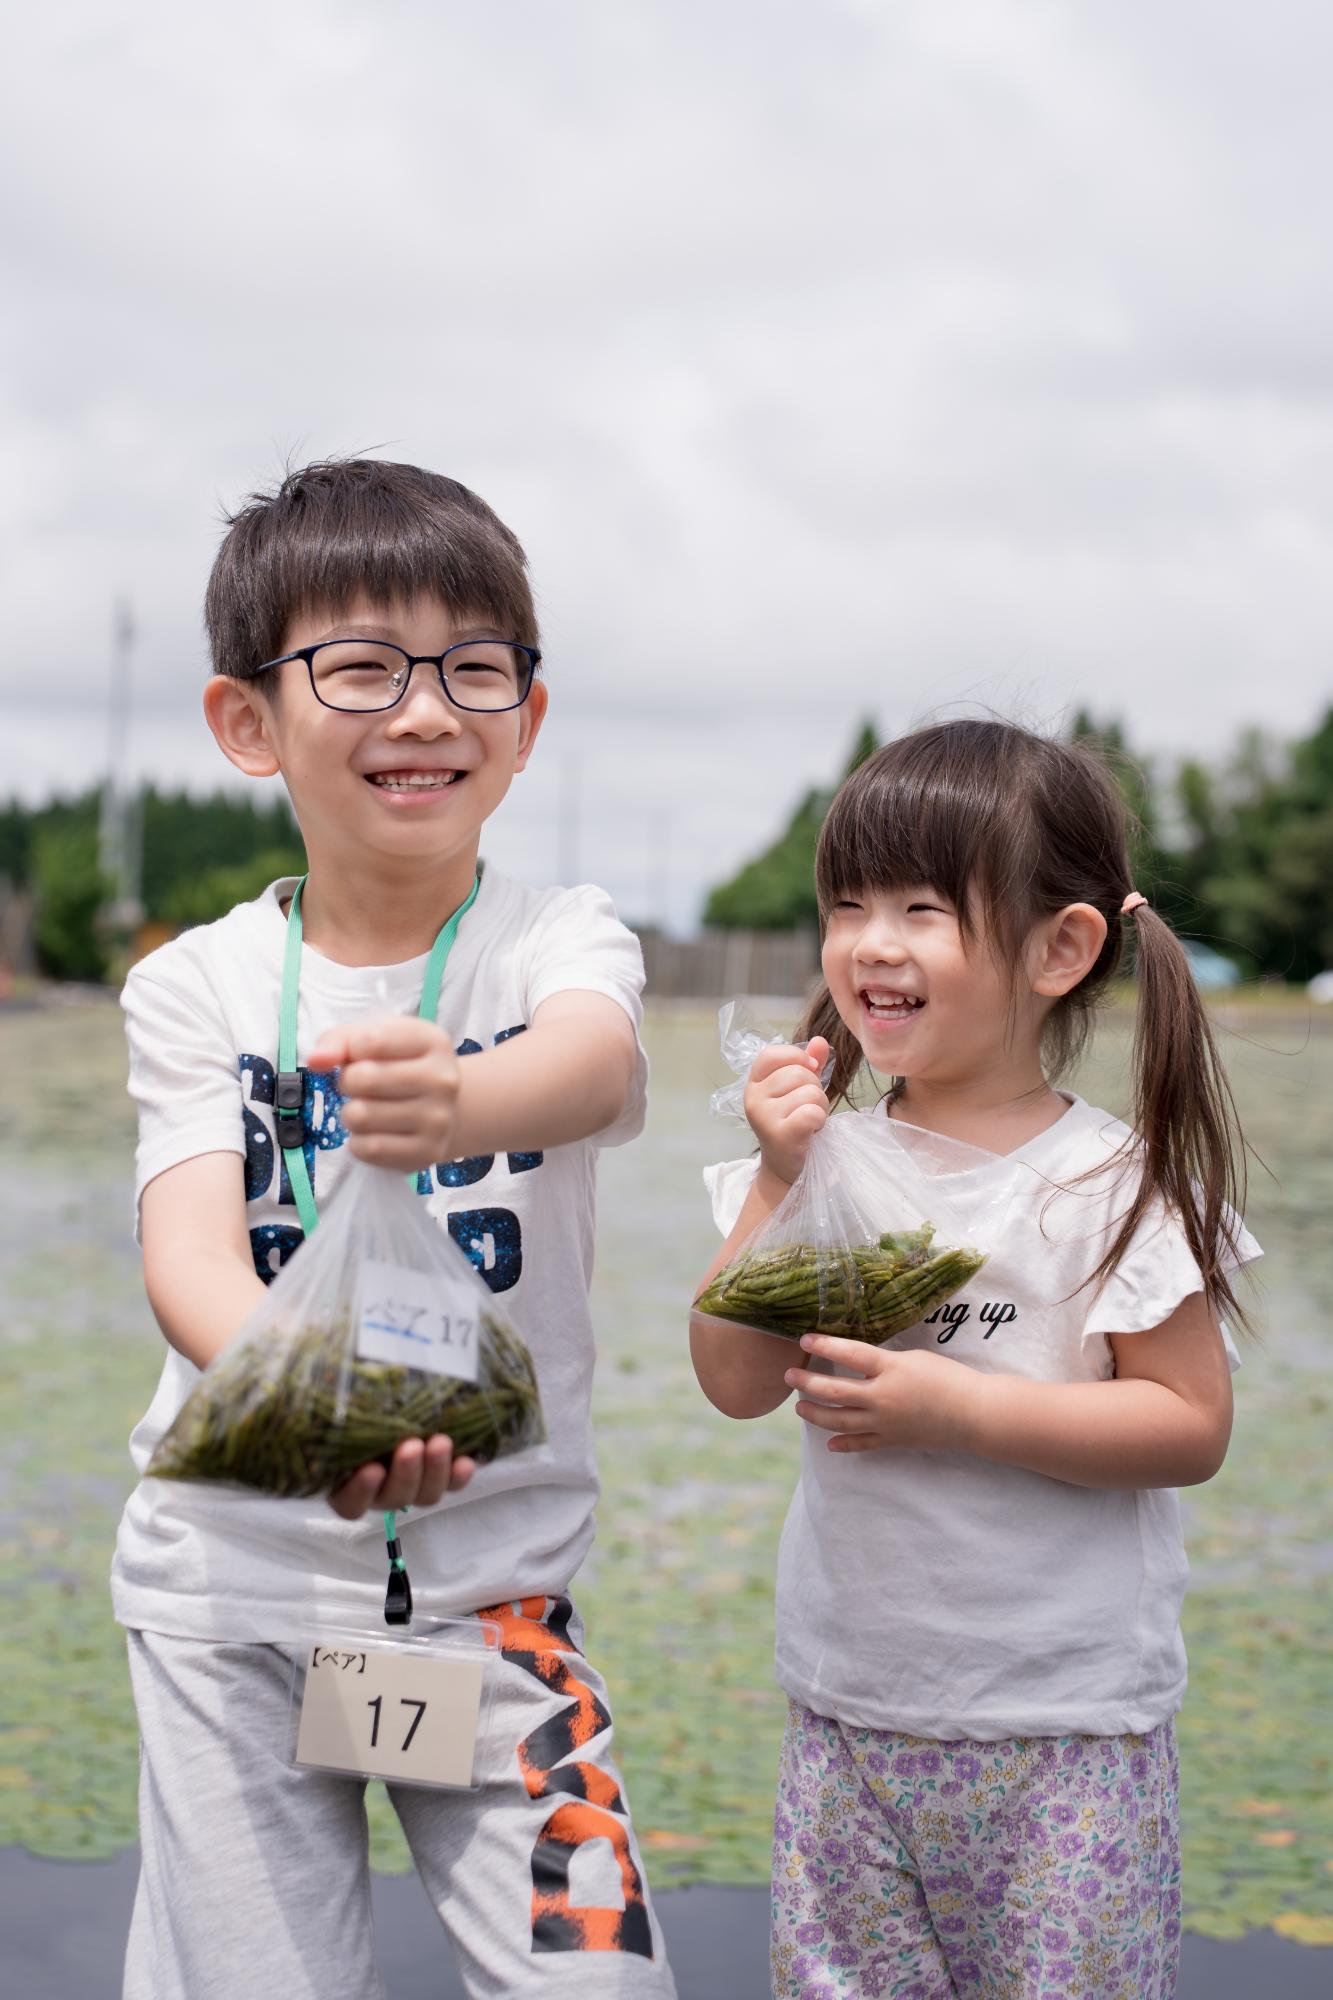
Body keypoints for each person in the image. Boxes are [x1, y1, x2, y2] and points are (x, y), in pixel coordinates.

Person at [115, 458, 677, 1998]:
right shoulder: (198, 987)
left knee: (598, 1981)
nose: (425, 711)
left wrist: (463, 1104)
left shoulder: (557, 938)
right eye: (361, 669)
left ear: (527, 721)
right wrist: (324, 1416)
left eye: (472, 670)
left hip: (498, 1608)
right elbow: (191, 1262)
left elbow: (595, 1064)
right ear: (248, 721)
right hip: (231, 1593)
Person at [690, 718, 1259, 2000]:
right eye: (846, 904)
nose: (869, 943)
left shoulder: (1109, 1180)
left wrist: (963, 1407)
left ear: (1061, 948)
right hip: (849, 1713)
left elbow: (1187, 1421)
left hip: (1061, 1730)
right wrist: (781, 1177)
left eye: (922, 908)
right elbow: (729, 1379)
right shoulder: (822, 1163)